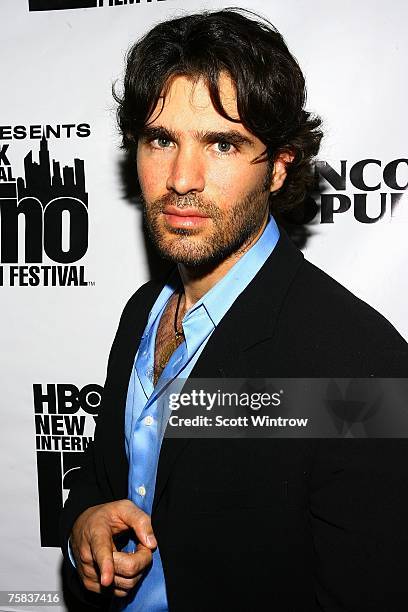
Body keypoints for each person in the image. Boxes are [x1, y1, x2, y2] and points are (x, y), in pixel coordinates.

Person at [60, 8, 408, 611]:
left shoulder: (360, 363)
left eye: (222, 143)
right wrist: (85, 524)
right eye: (160, 139)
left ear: (278, 167)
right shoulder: (143, 312)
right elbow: (104, 479)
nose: (181, 178)